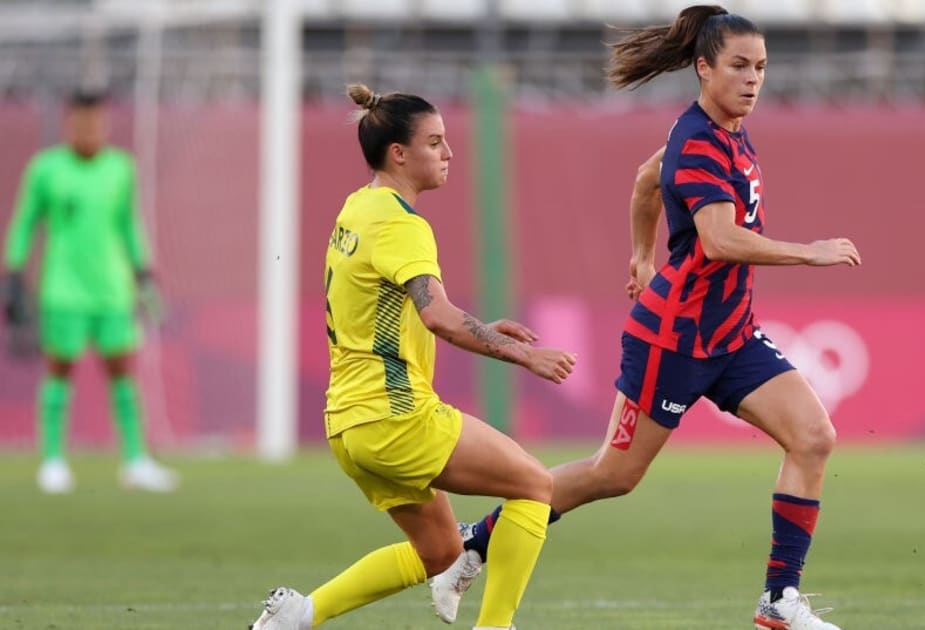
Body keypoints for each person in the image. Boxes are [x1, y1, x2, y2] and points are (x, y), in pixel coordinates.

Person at [430, 6, 862, 629]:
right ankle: (478, 543)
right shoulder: (699, 141)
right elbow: (718, 240)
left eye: (761, 67)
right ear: (703, 67)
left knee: (814, 436)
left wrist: (640, 255)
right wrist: (808, 252)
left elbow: (643, 181)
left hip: (730, 335)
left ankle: (779, 600)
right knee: (613, 475)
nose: (753, 79)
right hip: (673, 342)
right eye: (739, 66)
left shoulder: (727, 131)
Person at [247, 84, 577, 630]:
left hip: (350, 425)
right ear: (398, 153)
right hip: (395, 412)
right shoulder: (401, 223)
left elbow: (391, 304)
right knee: (535, 486)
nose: (448, 153)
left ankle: (299, 615)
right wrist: (525, 355)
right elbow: (439, 316)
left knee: (441, 553)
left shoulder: (359, 207)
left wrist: (481, 326)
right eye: (435, 142)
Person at [2, 88, 177, 494]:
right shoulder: (46, 170)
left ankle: (135, 461)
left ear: (104, 124)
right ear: (69, 124)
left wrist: (143, 272)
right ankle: (52, 461)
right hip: (63, 291)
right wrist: (12, 273)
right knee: (59, 371)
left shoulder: (121, 168)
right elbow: (25, 222)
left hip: (112, 291)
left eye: (96, 123)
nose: (89, 130)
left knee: (123, 373)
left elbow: (128, 225)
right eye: (82, 123)